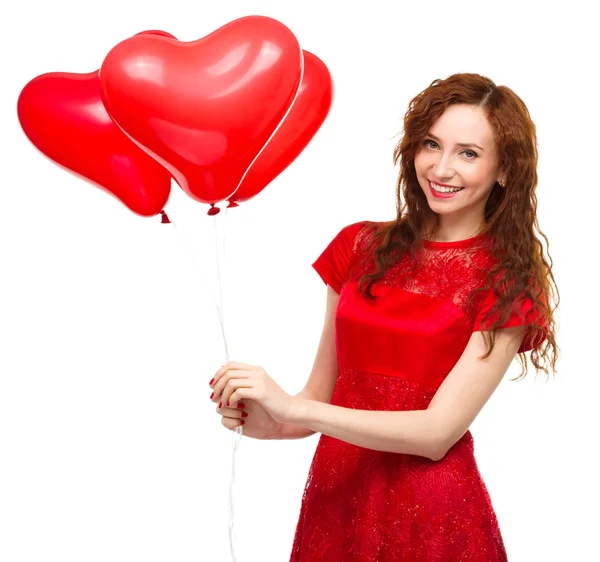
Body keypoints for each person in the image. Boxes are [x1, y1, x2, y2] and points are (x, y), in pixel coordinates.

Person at [208, 72, 560, 561]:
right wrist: (270, 421)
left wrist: (297, 411)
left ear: (504, 170)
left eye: (469, 153)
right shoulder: (359, 246)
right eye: (431, 144)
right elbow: (321, 397)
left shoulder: (505, 281)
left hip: (433, 515)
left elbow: (437, 434)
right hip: (337, 500)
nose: (441, 167)